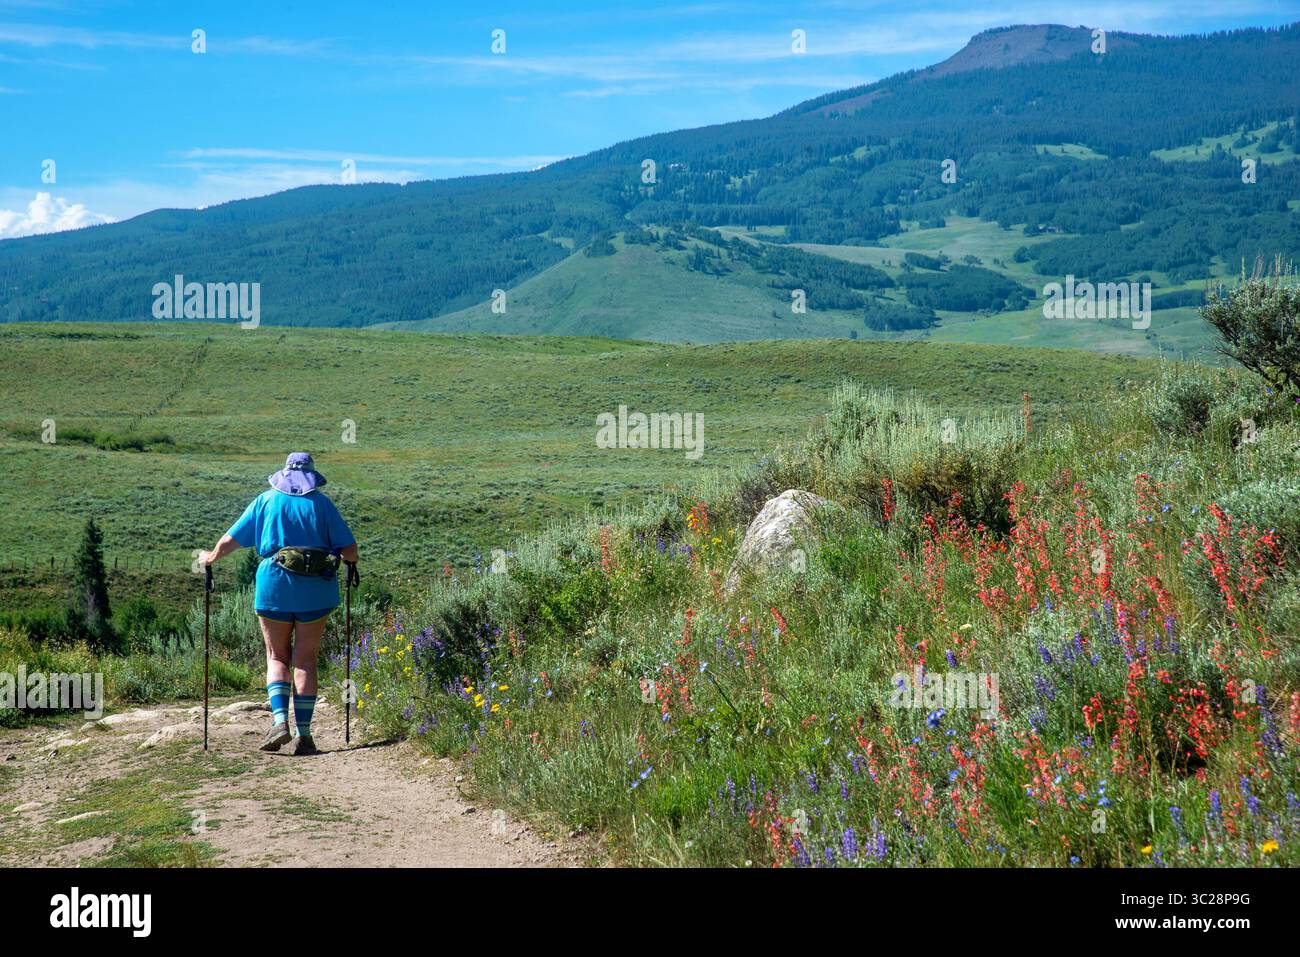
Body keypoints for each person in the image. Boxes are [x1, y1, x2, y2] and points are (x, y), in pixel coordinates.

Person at [201, 452, 358, 756]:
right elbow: (350, 550)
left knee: (276, 656)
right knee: (306, 659)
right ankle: (305, 735)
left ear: (284, 474)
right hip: (316, 591)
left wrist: (210, 559)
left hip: (274, 586)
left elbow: (231, 539)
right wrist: (346, 560)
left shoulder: (266, 501)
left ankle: (279, 722)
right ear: (312, 476)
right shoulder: (322, 504)